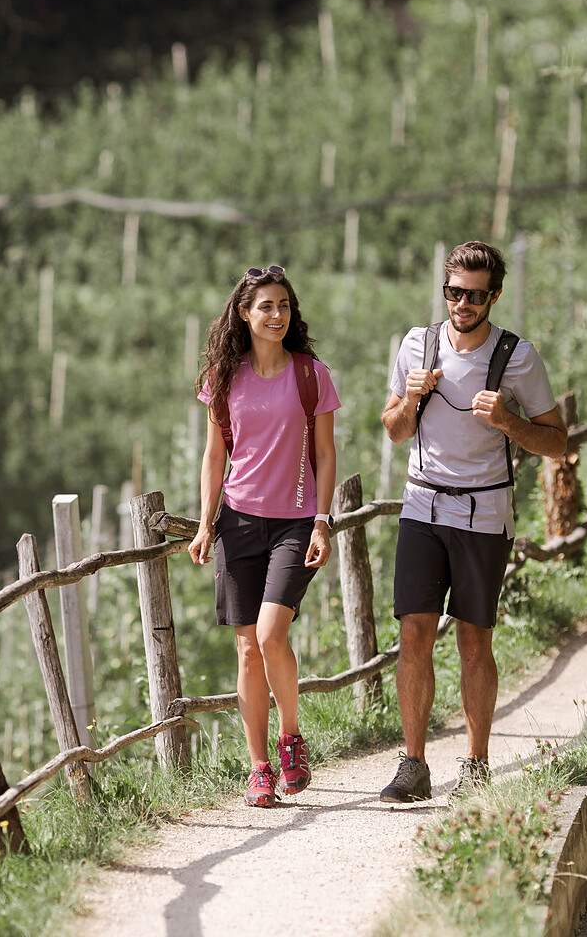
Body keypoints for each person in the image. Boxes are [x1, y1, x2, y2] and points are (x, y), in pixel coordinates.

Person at [377, 241, 566, 803]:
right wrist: (410, 401)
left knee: (472, 639)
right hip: (422, 506)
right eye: (454, 292)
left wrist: (507, 419)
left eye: (474, 295)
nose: (462, 303)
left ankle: (476, 764)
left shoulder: (518, 356)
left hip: (484, 512)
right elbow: (392, 429)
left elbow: (557, 443)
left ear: (494, 296)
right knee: (413, 633)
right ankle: (413, 765)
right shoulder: (417, 344)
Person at [188, 265, 341, 807]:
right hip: (238, 522)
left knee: (273, 635)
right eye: (266, 306)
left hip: (296, 523)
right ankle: (258, 768)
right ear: (244, 314)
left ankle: (290, 738)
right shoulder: (224, 378)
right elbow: (214, 456)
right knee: (248, 651)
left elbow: (324, 454)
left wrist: (322, 520)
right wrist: (206, 523)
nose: (277, 315)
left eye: (284, 305)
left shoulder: (311, 375)